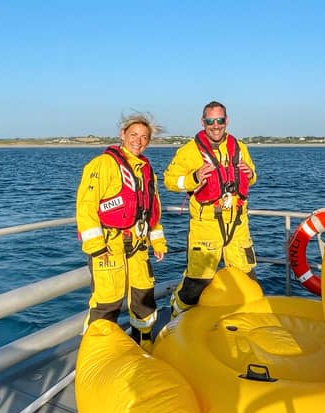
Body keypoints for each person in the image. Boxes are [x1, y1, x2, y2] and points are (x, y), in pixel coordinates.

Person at [76, 113, 167, 352]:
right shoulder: (103, 165)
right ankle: (97, 352)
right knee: (107, 302)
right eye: (134, 135)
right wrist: (97, 247)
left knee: (143, 298)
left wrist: (158, 243)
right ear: (123, 135)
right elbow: (86, 207)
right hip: (109, 247)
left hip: (138, 248)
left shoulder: (146, 170)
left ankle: (144, 342)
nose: (138, 141)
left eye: (144, 137)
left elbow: (151, 211)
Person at [164, 100, 257, 317]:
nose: (216, 125)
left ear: (227, 121)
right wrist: (193, 178)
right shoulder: (188, 151)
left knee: (246, 278)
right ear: (203, 121)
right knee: (197, 282)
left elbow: (252, 176)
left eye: (220, 120)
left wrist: (250, 174)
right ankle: (176, 315)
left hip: (237, 225)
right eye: (210, 121)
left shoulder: (240, 147)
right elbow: (169, 181)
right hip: (206, 227)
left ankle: (242, 322)